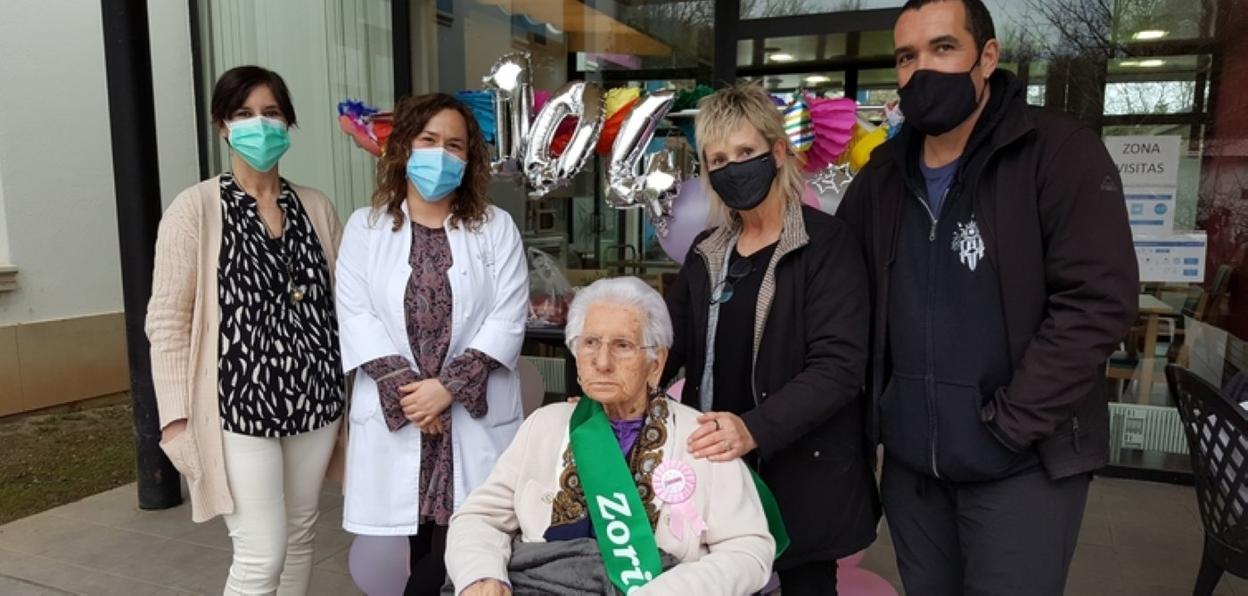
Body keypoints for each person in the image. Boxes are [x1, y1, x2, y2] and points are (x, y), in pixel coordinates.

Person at [836, 1, 1139, 594]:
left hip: (1023, 464)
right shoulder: (881, 179)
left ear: (988, 57)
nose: (922, 69)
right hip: (913, 470)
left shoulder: (1057, 153)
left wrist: (1010, 424)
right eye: (906, 56)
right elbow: (836, 284)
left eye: (943, 48)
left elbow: (1097, 302)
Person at [662, 82, 876, 595]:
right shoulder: (706, 250)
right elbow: (669, 342)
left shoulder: (828, 246)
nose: (733, 167)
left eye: (745, 152)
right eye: (718, 159)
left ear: (778, 152)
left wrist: (753, 428)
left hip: (800, 475)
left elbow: (839, 367)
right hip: (714, 471)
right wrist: (616, 382)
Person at [146, 65, 345, 595]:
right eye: (244, 114)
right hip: (237, 409)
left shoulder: (316, 206)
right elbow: (167, 319)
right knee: (262, 552)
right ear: (222, 126)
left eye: (272, 113)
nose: (260, 125)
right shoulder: (196, 209)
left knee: (302, 535)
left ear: (289, 124)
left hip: (315, 402)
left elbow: (342, 304)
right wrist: (175, 419)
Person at [446, 277, 775, 596]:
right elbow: (481, 517)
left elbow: (747, 551)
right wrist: (482, 576)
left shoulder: (701, 437)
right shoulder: (545, 425)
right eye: (590, 343)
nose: (602, 362)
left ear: (656, 363)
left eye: (622, 346)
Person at [335, 92, 528, 595]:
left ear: (470, 159)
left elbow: (508, 316)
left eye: (455, 145)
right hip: (403, 412)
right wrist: (413, 395)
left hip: (466, 410)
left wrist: (447, 389)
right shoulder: (366, 227)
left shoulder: (495, 228)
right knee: (419, 539)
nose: (441, 155)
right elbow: (355, 314)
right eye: (429, 140)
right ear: (403, 147)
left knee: (469, 538)